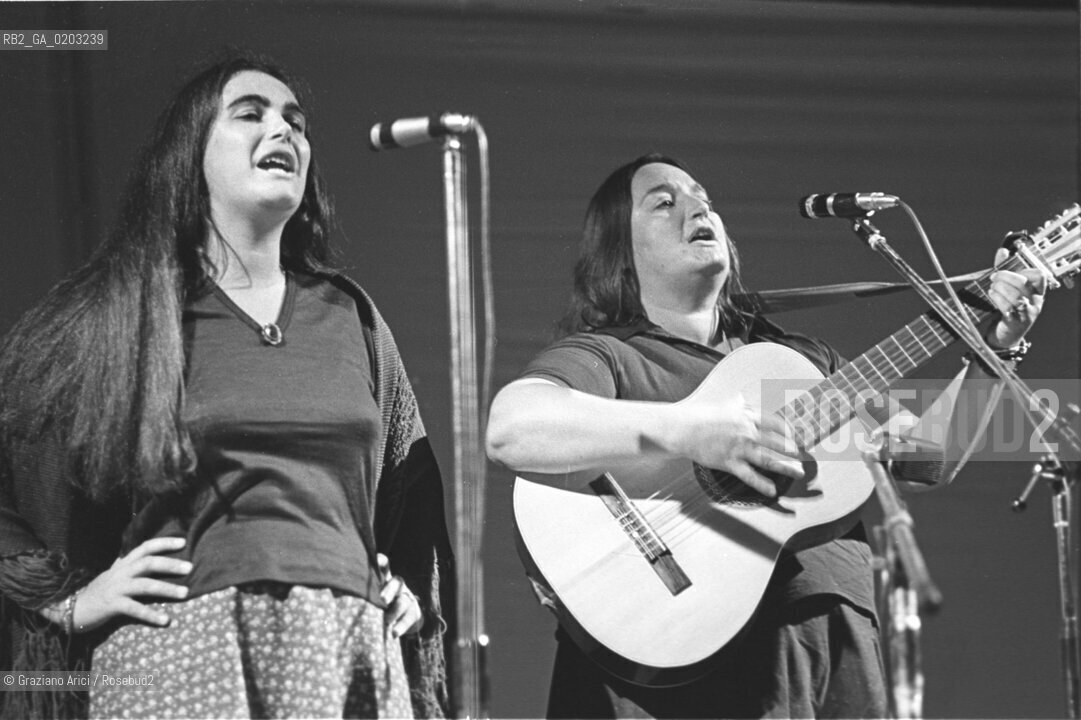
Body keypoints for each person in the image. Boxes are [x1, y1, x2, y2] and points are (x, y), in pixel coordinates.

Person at [485, 153, 1045, 718]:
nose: (697, 207)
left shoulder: (797, 359)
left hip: (833, 635)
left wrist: (994, 351)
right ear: (620, 253)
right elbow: (513, 427)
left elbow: (926, 459)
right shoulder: (612, 353)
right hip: (689, 650)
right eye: (664, 202)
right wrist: (696, 433)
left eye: (704, 197)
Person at [0, 53, 452, 719]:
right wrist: (67, 600)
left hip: (344, 654)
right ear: (191, 157)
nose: (284, 132)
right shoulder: (129, 311)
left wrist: (405, 592)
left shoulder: (349, 315)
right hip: (182, 651)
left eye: (296, 123)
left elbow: (410, 498)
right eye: (251, 115)